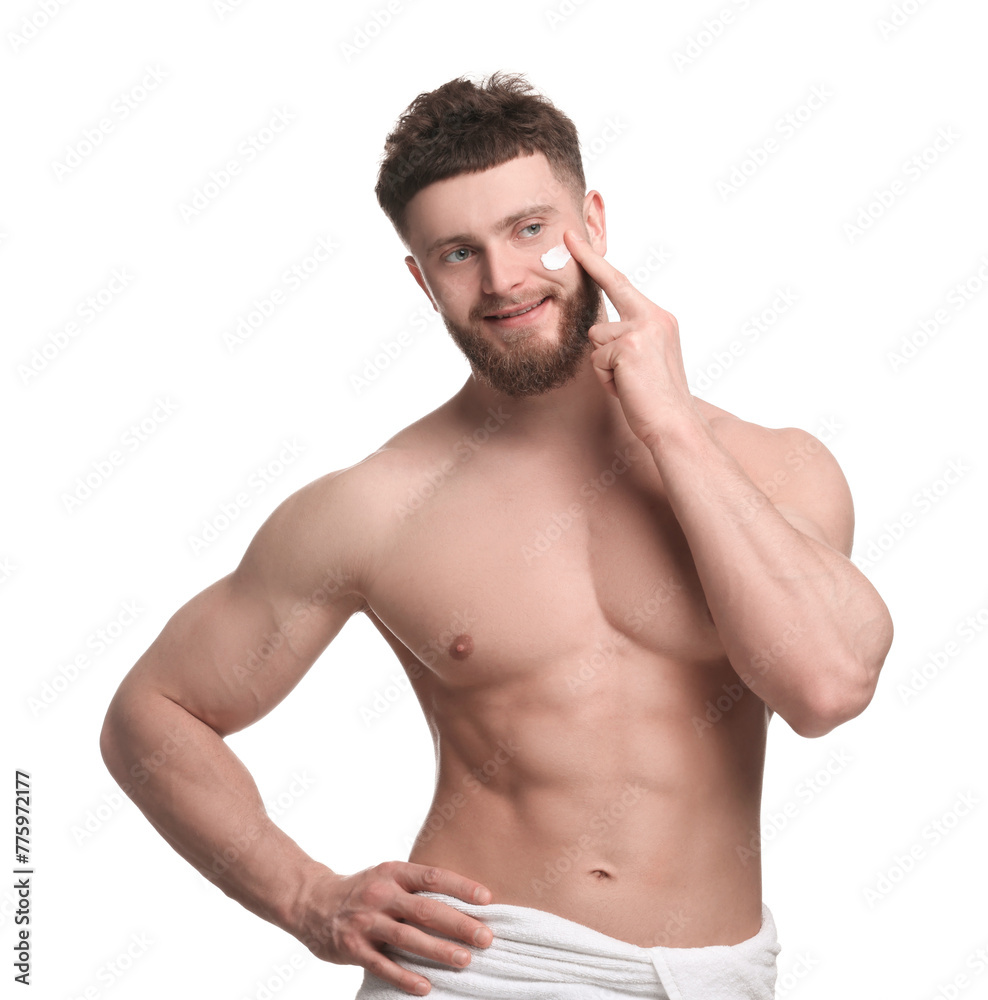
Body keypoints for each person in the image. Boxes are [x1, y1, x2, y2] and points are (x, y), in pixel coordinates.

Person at [99, 72, 894, 999]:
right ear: (421, 279)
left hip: (720, 976)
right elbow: (151, 715)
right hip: (476, 968)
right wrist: (309, 897)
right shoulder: (378, 503)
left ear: (592, 223)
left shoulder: (776, 467)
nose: (504, 279)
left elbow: (826, 688)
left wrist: (672, 427)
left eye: (529, 230)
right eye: (457, 253)